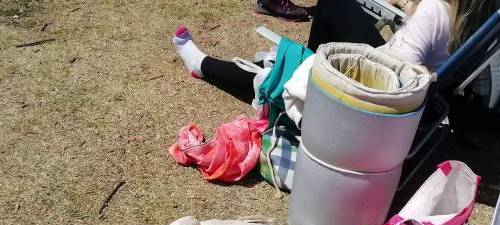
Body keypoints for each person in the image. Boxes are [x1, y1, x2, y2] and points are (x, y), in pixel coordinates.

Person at [173, 0, 492, 99]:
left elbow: (391, 79)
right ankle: (308, 63)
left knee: (283, 72)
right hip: (421, 88)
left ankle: (203, 65)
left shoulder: (434, 12)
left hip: (377, 93)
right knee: (335, 3)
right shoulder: (481, 14)